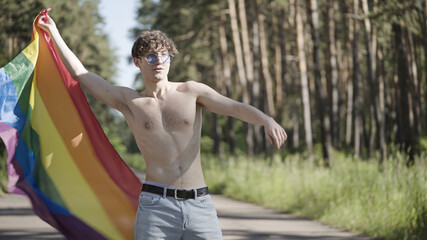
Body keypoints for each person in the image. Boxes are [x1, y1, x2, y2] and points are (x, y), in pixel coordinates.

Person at [38, 12, 287, 240]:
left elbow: (234, 107)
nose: (159, 61)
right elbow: (82, 74)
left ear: (170, 58)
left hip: (200, 205)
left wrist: (266, 119)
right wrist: (54, 33)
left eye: (164, 55)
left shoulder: (192, 91)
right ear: (138, 62)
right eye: (151, 56)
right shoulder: (131, 102)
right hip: (155, 207)